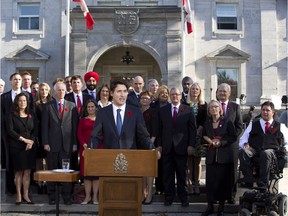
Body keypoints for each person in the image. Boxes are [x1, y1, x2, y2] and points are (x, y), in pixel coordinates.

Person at [157, 87, 197, 207]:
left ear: (181, 96)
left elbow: (192, 130)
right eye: (172, 94)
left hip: (182, 147)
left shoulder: (188, 110)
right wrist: (159, 145)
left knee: (182, 175)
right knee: (167, 175)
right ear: (170, 96)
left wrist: (191, 145)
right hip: (167, 148)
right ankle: (169, 198)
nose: (174, 96)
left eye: (177, 94)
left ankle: (183, 198)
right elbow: (159, 130)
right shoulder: (163, 110)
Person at [41, 82, 78, 205]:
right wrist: (45, 142)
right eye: (59, 90)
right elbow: (44, 127)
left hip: (67, 145)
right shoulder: (47, 106)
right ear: (54, 91)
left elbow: (74, 127)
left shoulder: (72, 106)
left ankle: (66, 196)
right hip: (52, 145)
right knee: (52, 171)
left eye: (63, 90)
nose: (61, 92)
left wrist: (74, 143)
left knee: (66, 172)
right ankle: (52, 196)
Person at [89, 80, 152, 150]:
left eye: (125, 91)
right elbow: (95, 136)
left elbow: (143, 136)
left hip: (130, 156)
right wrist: (90, 149)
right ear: (111, 93)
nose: (122, 95)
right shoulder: (102, 112)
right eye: (119, 91)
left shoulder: (136, 112)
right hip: (109, 156)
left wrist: (152, 148)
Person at [239, 101, 288, 188]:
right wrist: (245, 144)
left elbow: (287, 143)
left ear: (273, 112)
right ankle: (248, 179)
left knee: (266, 153)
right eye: (263, 110)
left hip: (273, 153)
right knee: (243, 152)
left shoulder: (281, 126)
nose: (265, 112)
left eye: (267, 110)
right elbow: (242, 140)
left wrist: (284, 149)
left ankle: (263, 181)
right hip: (255, 151)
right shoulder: (253, 125)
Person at [201, 100, 237, 216]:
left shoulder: (227, 121)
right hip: (212, 156)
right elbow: (203, 137)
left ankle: (221, 208)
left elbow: (233, 137)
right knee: (211, 182)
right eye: (211, 107)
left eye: (216, 107)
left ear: (220, 109)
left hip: (224, 156)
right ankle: (210, 206)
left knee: (222, 182)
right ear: (209, 110)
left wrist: (221, 143)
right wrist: (208, 140)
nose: (214, 109)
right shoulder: (207, 123)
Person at [1, 72, 33, 195]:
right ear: (10, 81)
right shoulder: (4, 97)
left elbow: (32, 116)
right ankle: (11, 188)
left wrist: (30, 138)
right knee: (9, 162)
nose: (17, 81)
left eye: (19, 79)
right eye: (15, 79)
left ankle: (25, 191)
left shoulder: (29, 96)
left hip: (25, 137)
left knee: (25, 167)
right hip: (8, 136)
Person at [5, 93, 38, 204]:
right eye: (20, 101)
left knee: (27, 172)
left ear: (27, 102)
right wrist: (25, 140)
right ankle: (18, 195)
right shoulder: (11, 115)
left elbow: (36, 130)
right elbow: (10, 131)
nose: (22, 102)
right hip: (17, 147)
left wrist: (31, 141)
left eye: (24, 100)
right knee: (19, 172)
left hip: (30, 147)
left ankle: (26, 194)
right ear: (17, 102)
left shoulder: (31, 114)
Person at [216, 83, 243, 204]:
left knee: (232, 172)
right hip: (216, 145)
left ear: (229, 93)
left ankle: (231, 196)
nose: (222, 93)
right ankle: (218, 195)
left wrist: (229, 140)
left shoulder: (235, 107)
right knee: (218, 171)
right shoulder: (213, 106)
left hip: (232, 145)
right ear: (216, 93)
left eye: (224, 91)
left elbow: (239, 127)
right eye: (220, 91)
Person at [184, 82, 207, 195]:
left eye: (197, 89)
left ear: (200, 91)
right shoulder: (185, 104)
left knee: (197, 160)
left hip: (199, 136)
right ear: (190, 91)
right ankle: (189, 184)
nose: (194, 91)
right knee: (189, 161)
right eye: (193, 89)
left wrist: (199, 130)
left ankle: (196, 183)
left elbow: (205, 120)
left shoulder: (203, 104)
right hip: (187, 135)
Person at [77, 99, 101, 205]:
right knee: (86, 174)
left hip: (97, 149)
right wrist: (84, 144)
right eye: (88, 107)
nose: (90, 109)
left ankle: (95, 197)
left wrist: (95, 146)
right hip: (85, 150)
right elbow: (79, 134)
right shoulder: (82, 120)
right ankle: (87, 197)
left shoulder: (100, 120)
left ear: (96, 108)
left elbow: (103, 134)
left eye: (92, 106)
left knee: (96, 175)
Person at [150, 85, 170, 195]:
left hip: (167, 139)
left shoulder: (170, 106)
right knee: (158, 165)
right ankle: (158, 187)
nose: (164, 94)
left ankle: (166, 187)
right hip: (156, 138)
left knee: (166, 165)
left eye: (166, 93)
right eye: (162, 92)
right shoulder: (153, 105)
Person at [34, 82, 53, 193]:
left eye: (46, 89)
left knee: (48, 160)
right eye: (42, 90)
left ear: (49, 91)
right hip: (39, 135)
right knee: (39, 161)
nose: (44, 92)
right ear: (39, 92)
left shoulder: (52, 103)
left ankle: (48, 182)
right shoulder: (36, 104)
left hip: (50, 135)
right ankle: (39, 183)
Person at [139, 91, 157, 204]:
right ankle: (143, 193)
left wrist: (150, 144)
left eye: (147, 98)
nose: (144, 100)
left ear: (150, 100)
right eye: (142, 98)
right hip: (138, 145)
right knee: (141, 171)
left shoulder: (153, 112)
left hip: (150, 144)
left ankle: (149, 194)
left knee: (149, 171)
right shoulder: (137, 112)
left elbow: (155, 130)